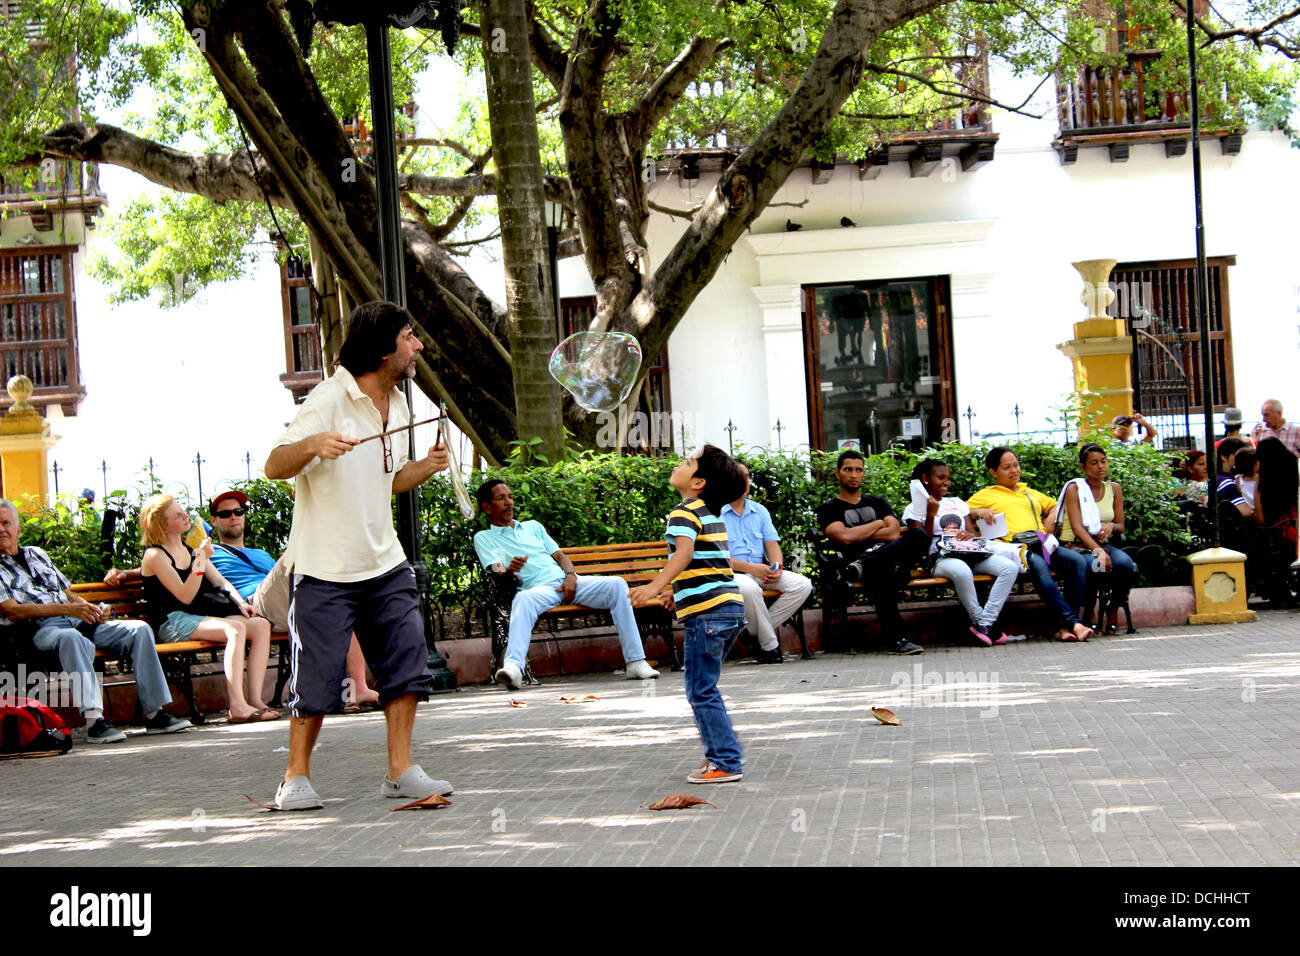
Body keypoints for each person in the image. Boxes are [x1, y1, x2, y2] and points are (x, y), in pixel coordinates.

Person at [263, 300, 454, 811]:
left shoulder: (402, 403)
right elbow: (273, 465)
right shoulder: (328, 398)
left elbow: (389, 482)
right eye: (409, 336)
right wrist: (314, 445)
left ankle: (400, 771)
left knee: (407, 661)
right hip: (325, 567)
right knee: (317, 675)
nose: (417, 346)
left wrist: (428, 467)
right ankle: (294, 779)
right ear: (382, 346)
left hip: (385, 562)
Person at [0, 499, 191, 743]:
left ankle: (155, 714)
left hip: (76, 621)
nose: (1, 529)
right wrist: (68, 609)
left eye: (6, 523)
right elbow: (11, 611)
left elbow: (67, 592)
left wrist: (91, 609)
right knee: (71, 638)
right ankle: (95, 721)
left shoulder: (36, 554)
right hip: (39, 630)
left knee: (139, 629)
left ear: (18, 529)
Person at [630, 444, 748, 785]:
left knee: (701, 689)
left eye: (687, 462)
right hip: (729, 610)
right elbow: (711, 564)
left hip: (708, 616)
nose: (678, 464)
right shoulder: (712, 516)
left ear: (698, 483)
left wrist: (654, 587)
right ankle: (721, 756)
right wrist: (675, 593)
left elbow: (683, 555)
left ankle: (726, 761)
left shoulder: (684, 512)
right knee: (705, 686)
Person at [473, 479, 660, 689]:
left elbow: (561, 556)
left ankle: (635, 661)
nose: (509, 502)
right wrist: (509, 570)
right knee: (523, 598)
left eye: (510, 497)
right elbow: (496, 569)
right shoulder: (484, 537)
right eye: (501, 498)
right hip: (539, 591)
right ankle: (514, 669)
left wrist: (571, 575)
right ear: (487, 508)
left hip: (567, 582)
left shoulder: (533, 527)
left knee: (617, 584)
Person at [139, 494, 278, 724]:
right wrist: (201, 559)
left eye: (182, 509)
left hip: (197, 618)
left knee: (261, 625)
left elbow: (220, 581)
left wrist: (242, 603)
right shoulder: (155, 555)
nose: (186, 515)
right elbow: (184, 595)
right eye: (177, 515)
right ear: (164, 526)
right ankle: (237, 705)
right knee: (234, 630)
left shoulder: (189, 549)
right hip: (172, 622)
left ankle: (255, 700)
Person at [967, 447, 1093, 642]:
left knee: (1077, 561)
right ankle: (1074, 623)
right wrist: (977, 511)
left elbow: (1054, 505)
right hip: (1015, 550)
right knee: (1040, 566)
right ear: (993, 472)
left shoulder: (1029, 492)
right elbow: (963, 511)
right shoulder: (985, 495)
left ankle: (1065, 627)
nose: (1014, 471)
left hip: (1041, 544)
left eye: (1016, 465)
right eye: (1007, 467)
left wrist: (1050, 518)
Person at [816, 449, 930, 655]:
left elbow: (894, 533)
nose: (853, 475)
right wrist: (878, 523)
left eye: (858, 470)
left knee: (919, 535)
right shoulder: (829, 508)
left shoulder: (878, 502)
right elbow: (844, 538)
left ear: (864, 474)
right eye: (848, 469)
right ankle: (899, 641)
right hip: (855, 563)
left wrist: (858, 534)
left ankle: (867, 561)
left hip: (874, 561)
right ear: (837, 473)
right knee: (882, 574)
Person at [902, 459, 1020, 646]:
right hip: (941, 559)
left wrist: (967, 534)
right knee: (962, 571)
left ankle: (984, 624)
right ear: (925, 479)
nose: (946, 483)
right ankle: (983, 624)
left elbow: (973, 534)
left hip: (971, 553)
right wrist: (931, 515)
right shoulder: (914, 509)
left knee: (1009, 568)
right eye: (940, 478)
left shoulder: (957, 502)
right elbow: (921, 545)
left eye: (948, 478)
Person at [719, 462, 812, 664]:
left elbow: (772, 545)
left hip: (761, 572)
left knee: (802, 585)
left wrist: (776, 566)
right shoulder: (715, 513)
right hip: (730, 574)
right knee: (750, 588)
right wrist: (752, 569)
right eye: (739, 476)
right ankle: (770, 647)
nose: (745, 481)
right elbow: (718, 557)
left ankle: (750, 632)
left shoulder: (759, 510)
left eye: (747, 476)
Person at [1056, 443, 1140, 635]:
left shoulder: (1114, 489)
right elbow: (1077, 528)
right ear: (1083, 468)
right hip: (1077, 545)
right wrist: (1098, 551)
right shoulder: (1075, 489)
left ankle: (1113, 609)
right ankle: (1089, 611)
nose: (1100, 466)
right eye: (1094, 463)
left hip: (1104, 544)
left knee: (1126, 565)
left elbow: (1120, 525)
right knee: (1094, 566)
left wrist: (1111, 526)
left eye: (1103, 461)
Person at [1251, 437, 1299, 602]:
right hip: (1295, 526)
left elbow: (1260, 519)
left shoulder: (1264, 483)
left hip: (1279, 532)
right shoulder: (1294, 472)